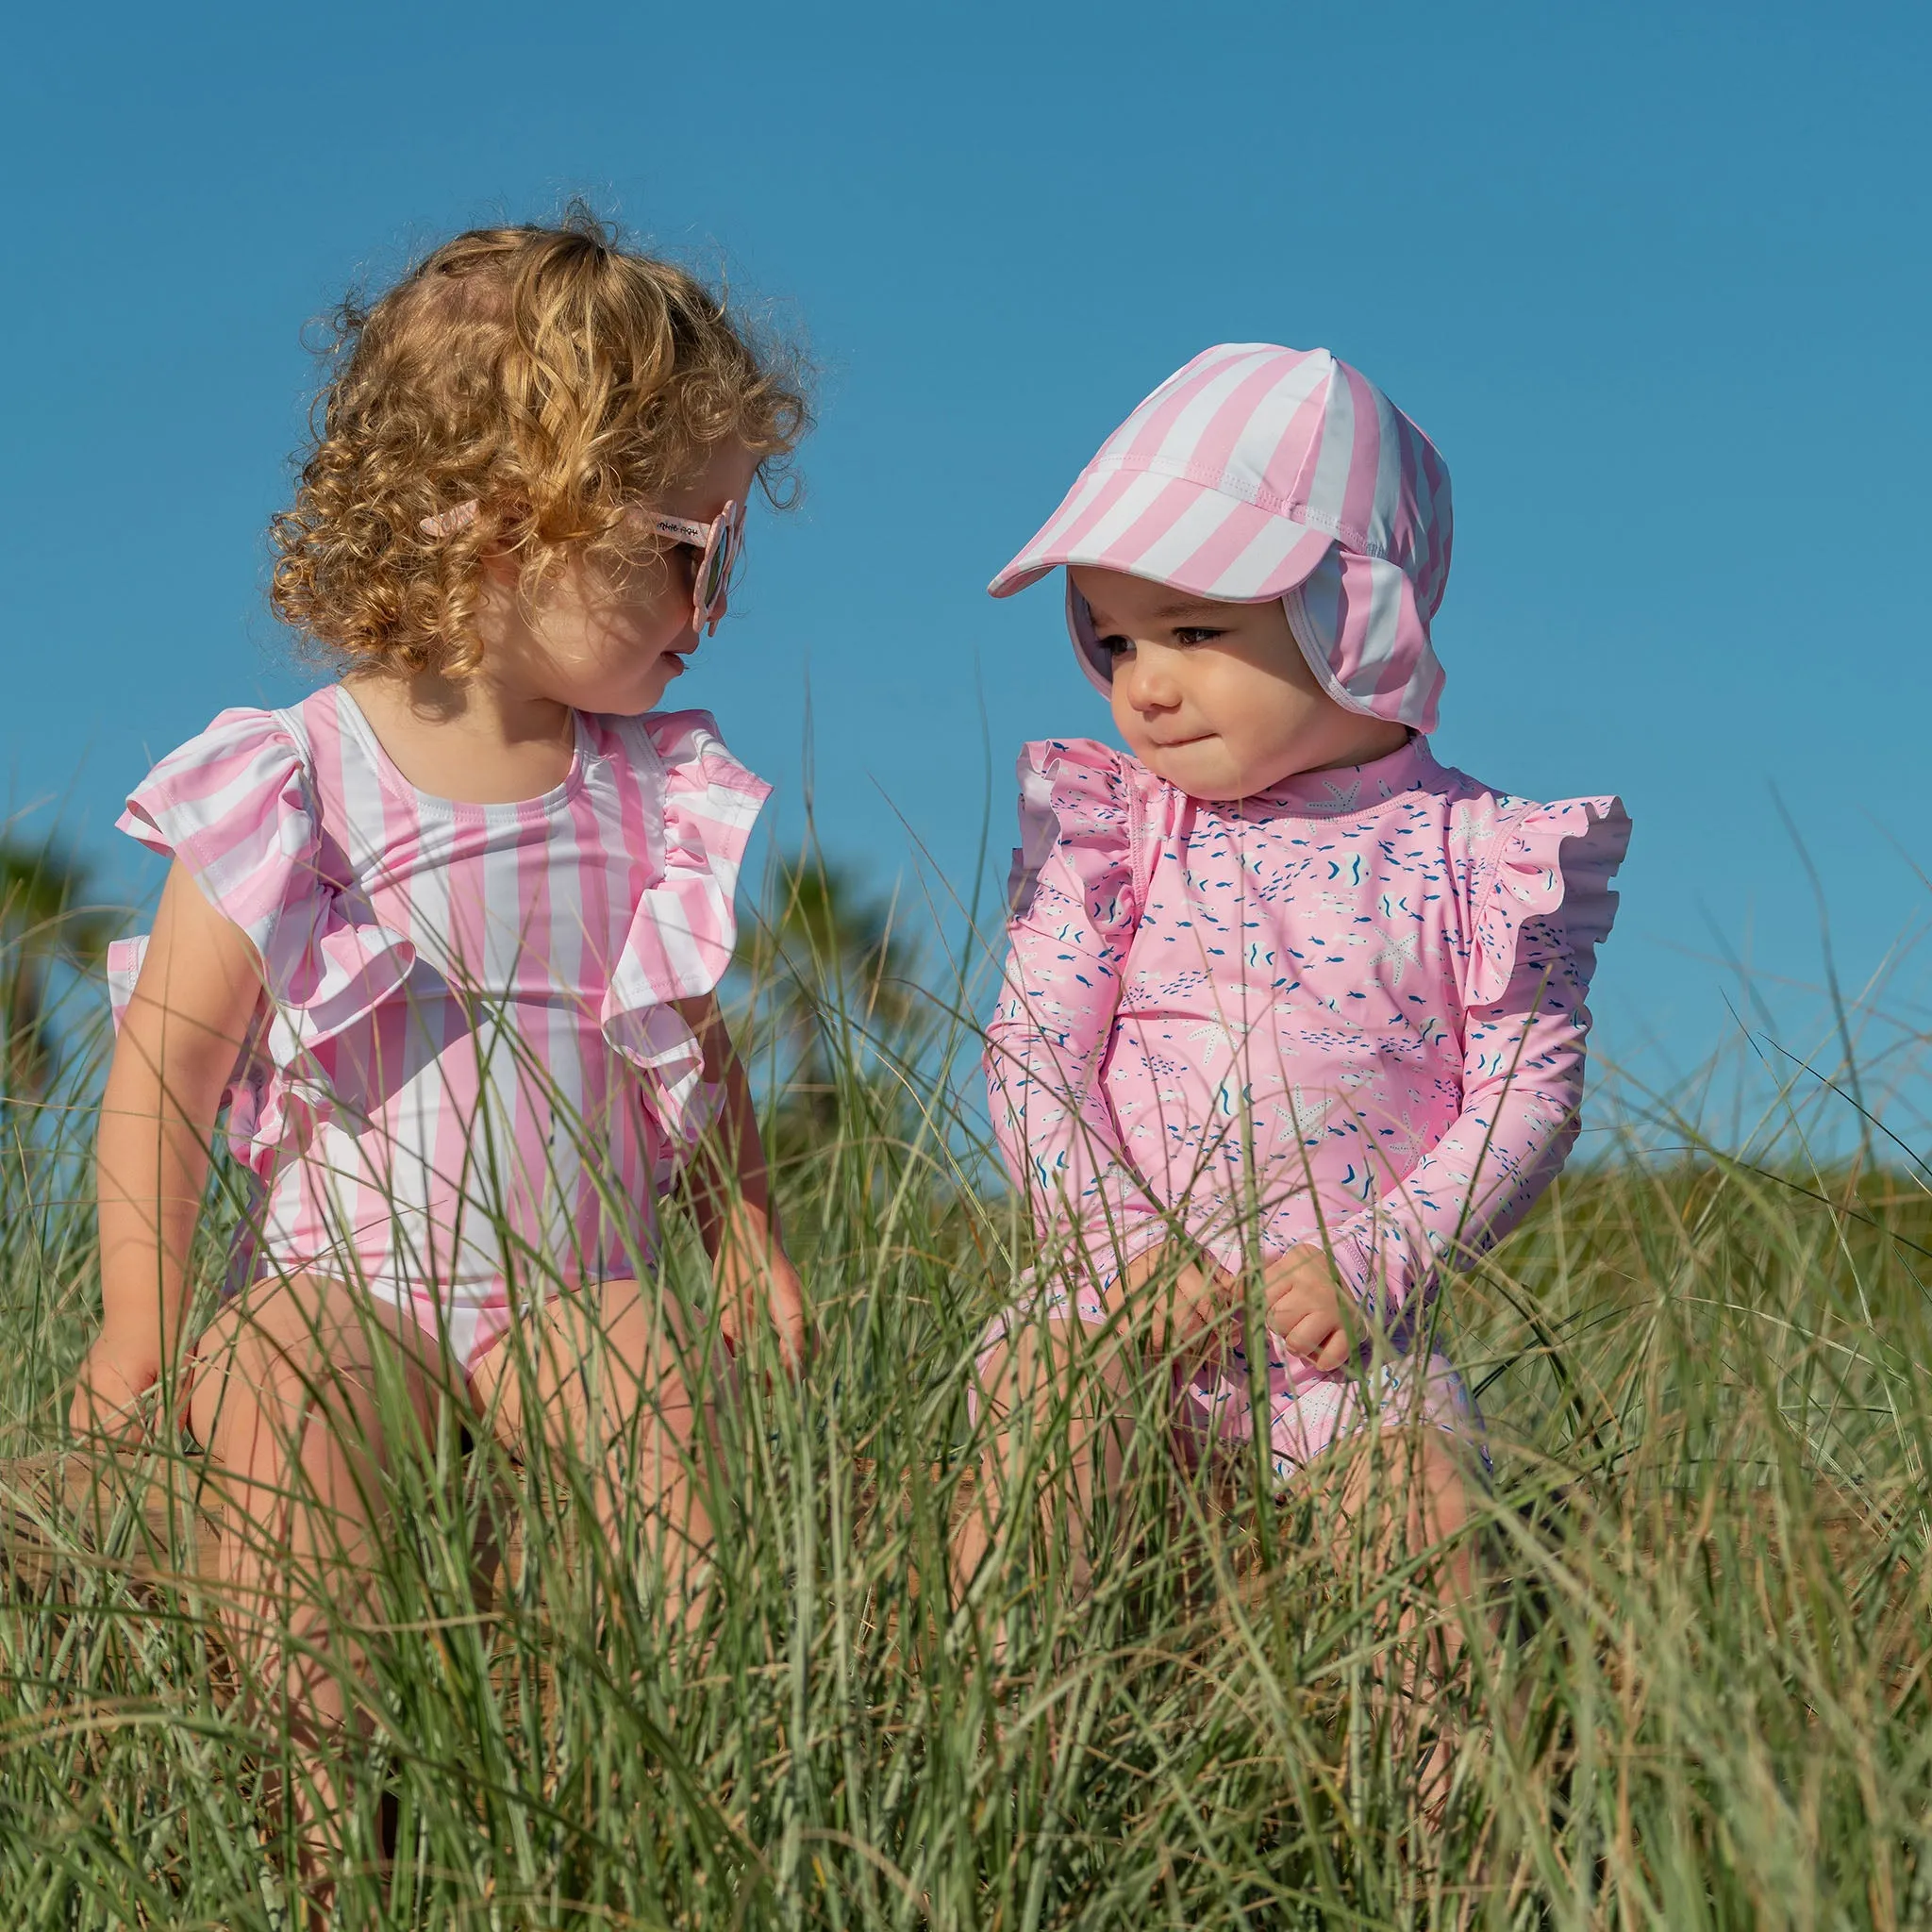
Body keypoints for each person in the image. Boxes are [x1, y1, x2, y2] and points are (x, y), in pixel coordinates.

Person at [68, 211, 809, 1896]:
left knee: (658, 1401)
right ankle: (326, 1839)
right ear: (499, 513)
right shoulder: (297, 778)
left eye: (728, 555)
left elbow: (689, 1049)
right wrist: (137, 1334)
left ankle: (600, 1827)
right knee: (286, 1391)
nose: (714, 600)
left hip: (579, 1278)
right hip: (355, 1279)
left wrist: (746, 1232)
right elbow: (168, 1074)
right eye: (682, 545)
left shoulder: (647, 788)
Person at [964, 342, 1630, 1677]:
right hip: (1115, 1305)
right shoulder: (1120, 830)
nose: (1143, 680)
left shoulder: (1481, 856)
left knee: (1424, 1532)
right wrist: (1118, 1248)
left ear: (1357, 617)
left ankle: (1443, 1862)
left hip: (1349, 1337)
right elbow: (1036, 1053)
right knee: (1039, 1437)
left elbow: (1526, 1098)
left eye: (1196, 632)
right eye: (1112, 637)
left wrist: (1375, 1265)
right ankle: (998, 1790)